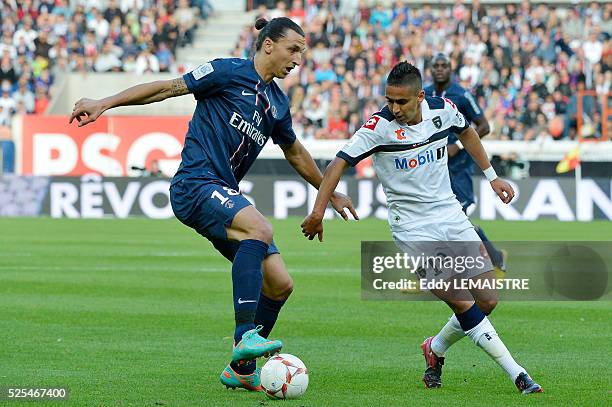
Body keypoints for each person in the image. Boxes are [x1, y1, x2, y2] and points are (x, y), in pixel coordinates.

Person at [70, 16, 357, 392]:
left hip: (222, 190)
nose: (297, 60)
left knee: (280, 285)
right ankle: (245, 337)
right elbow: (167, 89)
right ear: (268, 44)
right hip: (195, 184)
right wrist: (104, 103)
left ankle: (240, 370)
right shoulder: (226, 72)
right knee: (260, 227)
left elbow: (296, 152)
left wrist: (328, 193)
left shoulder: (277, 104)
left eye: (301, 52)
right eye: (293, 49)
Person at [301, 62, 542, 395]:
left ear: (420, 96)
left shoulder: (443, 110)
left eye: (402, 102)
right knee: (461, 301)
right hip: (412, 228)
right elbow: (338, 163)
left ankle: (436, 347)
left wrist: (492, 176)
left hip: (450, 215)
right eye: (390, 101)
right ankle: (519, 374)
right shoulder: (378, 126)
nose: (394, 108)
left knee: (486, 300)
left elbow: (468, 131)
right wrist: (319, 209)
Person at [425, 53, 507, 273]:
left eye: (444, 65)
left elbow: (484, 126)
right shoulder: (424, 93)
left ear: (451, 69)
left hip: (458, 168)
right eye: (436, 66)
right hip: (433, 168)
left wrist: (458, 145)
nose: (440, 69)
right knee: (439, 221)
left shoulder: (461, 94)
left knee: (455, 219)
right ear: (430, 70)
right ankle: (494, 257)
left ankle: (432, 273)